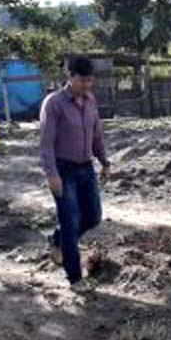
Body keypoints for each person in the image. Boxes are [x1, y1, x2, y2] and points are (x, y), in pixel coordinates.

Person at [39, 55, 111, 292]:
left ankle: (58, 241)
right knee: (70, 221)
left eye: (90, 81)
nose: (87, 85)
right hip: (63, 169)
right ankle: (75, 278)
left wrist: (104, 161)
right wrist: (52, 175)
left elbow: (96, 135)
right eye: (82, 81)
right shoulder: (54, 104)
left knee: (93, 216)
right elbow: (46, 143)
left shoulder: (90, 101)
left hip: (86, 167)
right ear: (70, 77)